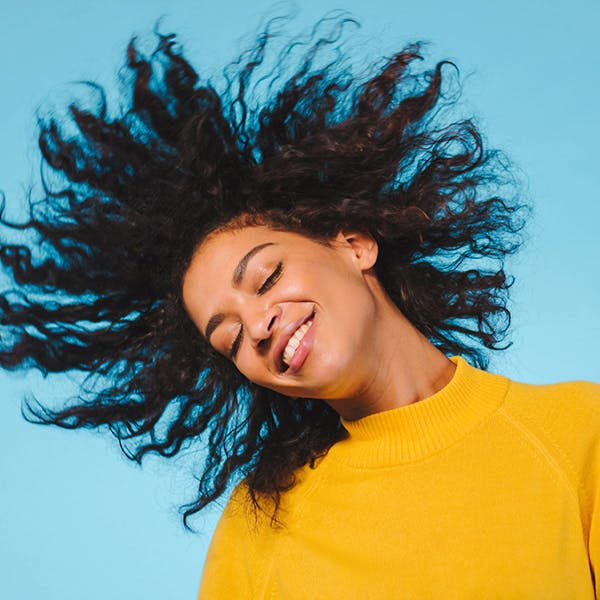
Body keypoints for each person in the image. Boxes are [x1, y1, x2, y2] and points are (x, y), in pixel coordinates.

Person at [1, 14, 598, 598]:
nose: (257, 327)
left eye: (266, 277)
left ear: (354, 243)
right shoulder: (262, 525)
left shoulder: (576, 433)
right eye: (229, 339)